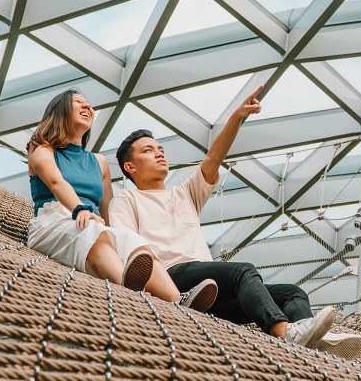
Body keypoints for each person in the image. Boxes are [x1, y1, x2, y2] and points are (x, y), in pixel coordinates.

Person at [110, 86, 361, 359]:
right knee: (242, 271)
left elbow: (213, 158)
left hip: (209, 294)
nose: (160, 154)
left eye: (161, 149)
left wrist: (237, 118)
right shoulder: (127, 199)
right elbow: (127, 248)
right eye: (148, 151)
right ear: (130, 167)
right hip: (173, 280)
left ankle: (315, 346)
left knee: (292, 293)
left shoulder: (184, 194)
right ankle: (284, 332)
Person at [25, 89, 217, 312]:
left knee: (132, 240)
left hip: (91, 222)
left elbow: (107, 211)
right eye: (78, 102)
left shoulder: (99, 162)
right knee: (91, 231)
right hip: (54, 221)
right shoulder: (40, 148)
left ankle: (178, 299)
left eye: (88, 104)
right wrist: (79, 208)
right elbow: (56, 181)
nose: (86, 106)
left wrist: (120, 237)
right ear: (59, 111)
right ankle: (129, 290)